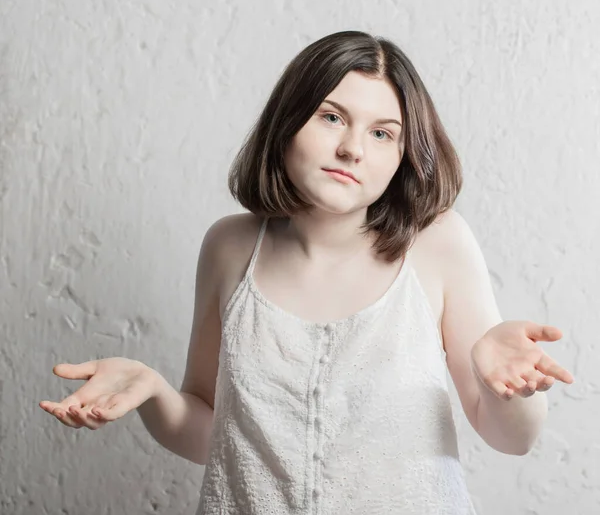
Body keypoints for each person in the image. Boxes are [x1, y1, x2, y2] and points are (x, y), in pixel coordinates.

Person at [39, 30, 574, 514]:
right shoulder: (229, 246)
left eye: (384, 133)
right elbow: (213, 438)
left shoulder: (438, 243)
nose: (352, 148)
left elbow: (512, 440)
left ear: (404, 155)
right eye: (332, 116)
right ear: (287, 120)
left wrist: (505, 388)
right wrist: (153, 393)